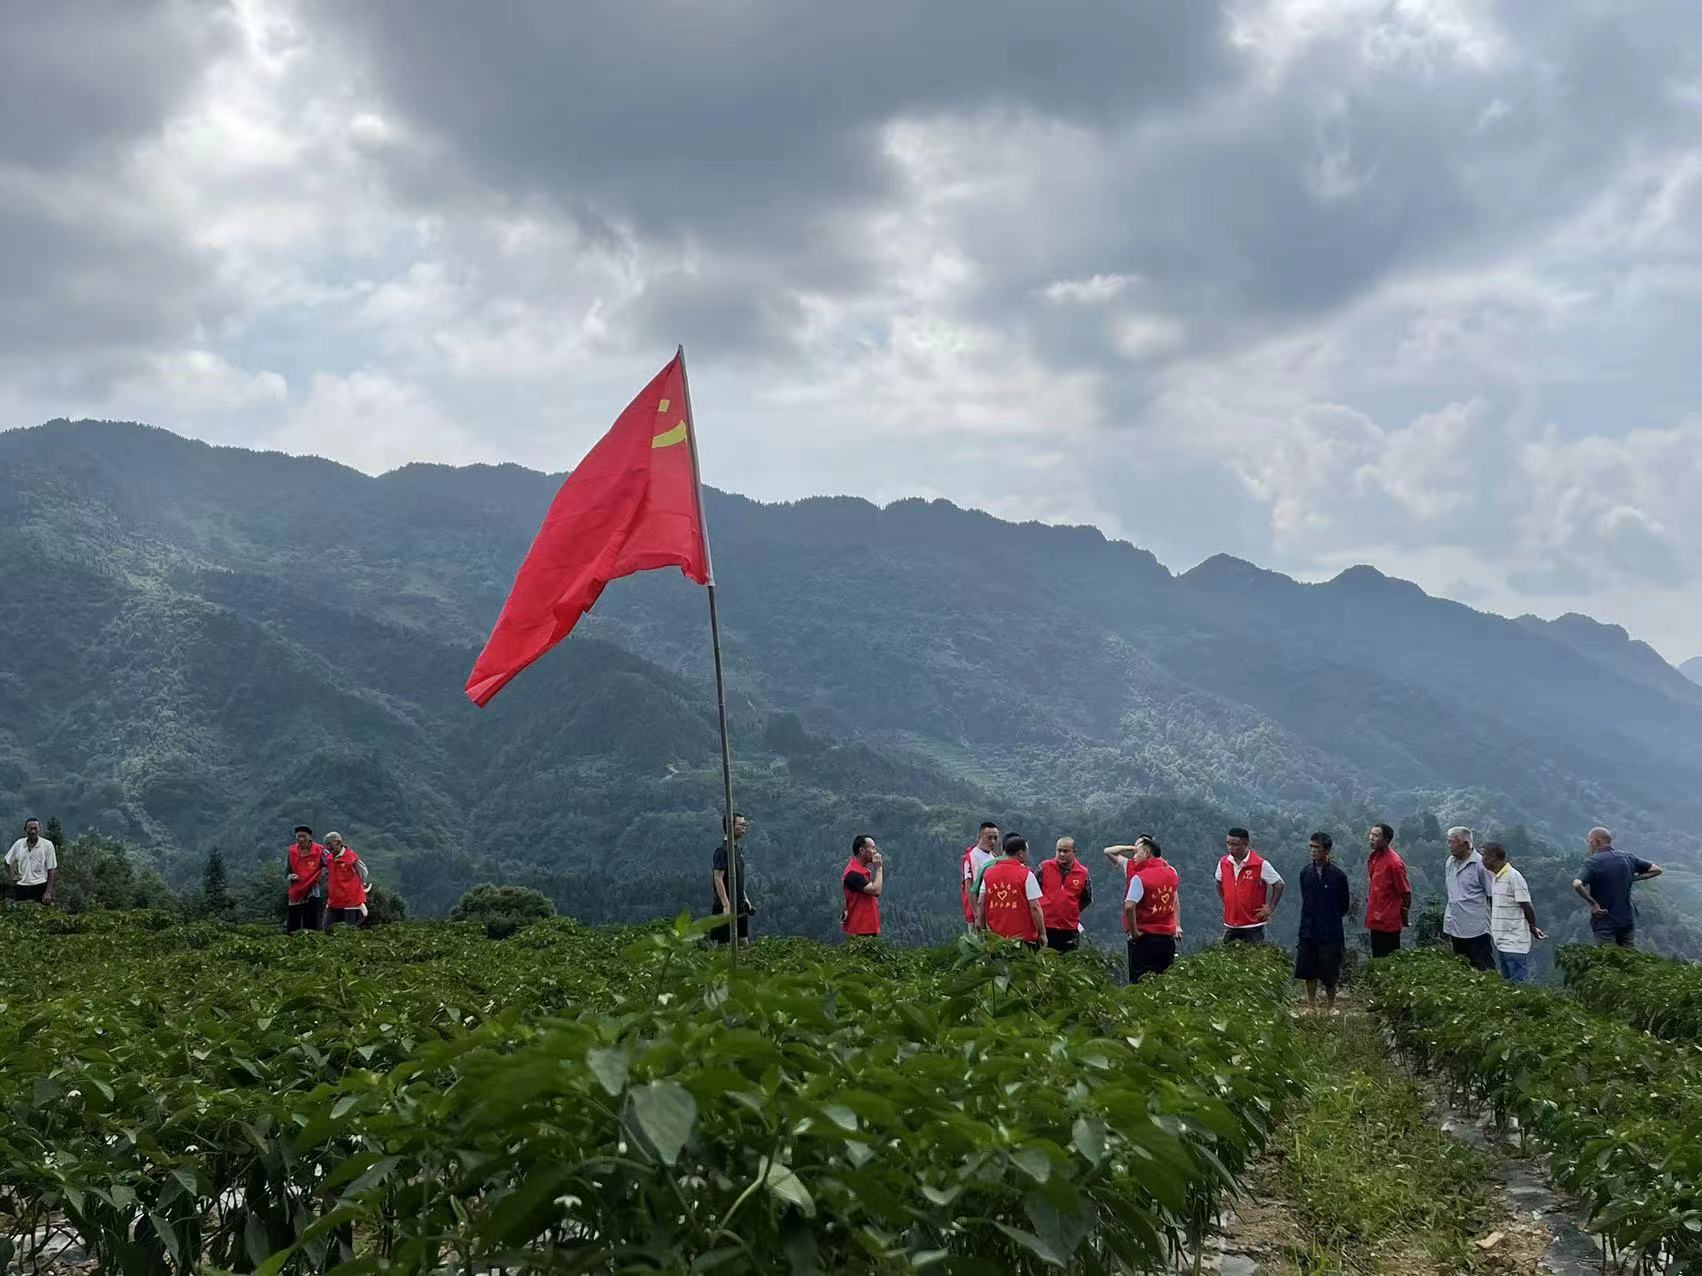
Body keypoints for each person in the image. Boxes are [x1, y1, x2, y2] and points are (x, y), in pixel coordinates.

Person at [1573, 826, 1661, 948]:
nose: (1589, 845)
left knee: (1608, 960)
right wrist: (1633, 878)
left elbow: (1577, 884)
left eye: (1589, 842)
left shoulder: (1593, 862)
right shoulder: (1627, 857)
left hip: (1605, 920)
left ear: (1596, 842)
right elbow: (1656, 870)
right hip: (1626, 919)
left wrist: (1593, 904)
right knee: (1628, 958)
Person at [1294, 832, 1350, 1011]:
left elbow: (1344, 905)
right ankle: (1311, 1005)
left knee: (1330, 972)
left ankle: (1330, 1006)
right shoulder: (1305, 873)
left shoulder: (1338, 877)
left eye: (1316, 848)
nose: (1312, 851)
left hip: (1330, 931)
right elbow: (1305, 896)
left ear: (1327, 850)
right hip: (1309, 929)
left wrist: (1329, 919)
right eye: (1310, 847)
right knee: (1309, 970)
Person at [1113, 837, 1180, 983]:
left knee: (1140, 981)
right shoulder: (1172, 873)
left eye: (1137, 853)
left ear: (1147, 854)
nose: (1134, 857)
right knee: (1163, 981)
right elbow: (1174, 899)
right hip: (1167, 938)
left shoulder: (1140, 878)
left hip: (1145, 938)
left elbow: (1129, 906)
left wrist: (1134, 931)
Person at [1482, 841, 1545, 982]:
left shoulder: (1513, 876)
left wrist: (1533, 927)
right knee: (1508, 984)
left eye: (1484, 856)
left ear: (1493, 857)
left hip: (1515, 941)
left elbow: (1526, 904)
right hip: (1502, 941)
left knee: (1518, 985)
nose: (1482, 860)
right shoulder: (1496, 878)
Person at [1442, 827, 1497, 972]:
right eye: (1448, 842)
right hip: (1455, 924)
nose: (1450, 846)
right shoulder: (1450, 862)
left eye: (1453, 842)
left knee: (1483, 966)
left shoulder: (1480, 865)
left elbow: (1492, 894)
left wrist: (1496, 922)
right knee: (1461, 965)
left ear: (1466, 844)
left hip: (1476, 927)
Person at [976, 832, 1044, 949]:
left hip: (995, 939)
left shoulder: (989, 873)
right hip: (1023, 940)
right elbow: (1035, 907)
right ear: (1021, 853)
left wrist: (983, 930)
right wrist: (1042, 933)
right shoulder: (1026, 874)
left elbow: (981, 903)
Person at [1217, 828, 1283, 944]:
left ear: (1245, 844)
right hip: (1231, 924)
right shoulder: (1224, 862)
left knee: (1253, 958)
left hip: (1253, 926)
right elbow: (1218, 882)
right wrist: (1224, 901)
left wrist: (1271, 907)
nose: (1230, 848)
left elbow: (1279, 884)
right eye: (1228, 843)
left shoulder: (1259, 864)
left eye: (1235, 844)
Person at [1036, 836, 1092, 951]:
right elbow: (1033, 894)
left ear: (1074, 852)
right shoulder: (1044, 867)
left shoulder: (1082, 873)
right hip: (1045, 927)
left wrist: (1070, 910)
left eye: (1065, 851)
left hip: (1069, 928)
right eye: (1059, 850)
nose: (1061, 854)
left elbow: (1086, 898)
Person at [1364, 823, 1411, 957]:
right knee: (1377, 958)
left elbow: (1405, 893)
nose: (1371, 838)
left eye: (1376, 835)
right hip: (1375, 918)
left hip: (1389, 921)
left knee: (1388, 959)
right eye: (1371, 834)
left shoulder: (1394, 864)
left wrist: (1404, 913)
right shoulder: (1374, 858)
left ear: (1386, 840)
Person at [711, 811, 753, 945]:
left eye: (745, 824)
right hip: (726, 906)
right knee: (723, 945)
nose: (744, 827)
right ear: (730, 826)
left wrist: (745, 898)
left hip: (739, 905)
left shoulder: (737, 850)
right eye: (741, 824)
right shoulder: (722, 851)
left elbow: (738, 878)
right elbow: (718, 878)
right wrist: (726, 905)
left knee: (743, 942)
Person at [322, 832, 372, 928]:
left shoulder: (351, 856)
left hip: (351, 900)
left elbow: (363, 871)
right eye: (326, 845)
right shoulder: (329, 858)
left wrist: (361, 884)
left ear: (338, 842)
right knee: (327, 928)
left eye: (330, 844)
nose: (328, 847)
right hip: (334, 900)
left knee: (349, 931)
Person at [286, 825, 330, 933]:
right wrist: (290, 876)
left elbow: (331, 863)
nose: (301, 839)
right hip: (295, 892)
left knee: (311, 926)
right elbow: (286, 871)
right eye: (298, 836)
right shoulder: (291, 851)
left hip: (312, 891)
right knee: (292, 927)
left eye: (304, 836)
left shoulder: (320, 850)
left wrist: (322, 875)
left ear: (310, 837)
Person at [5, 818, 57, 905]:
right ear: (25, 830)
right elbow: (7, 861)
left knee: (42, 915)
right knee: (22, 915)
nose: (33, 831)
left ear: (39, 829)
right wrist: (12, 876)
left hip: (40, 886)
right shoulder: (19, 844)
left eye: (35, 828)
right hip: (21, 887)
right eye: (30, 829)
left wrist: (48, 892)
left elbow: (51, 869)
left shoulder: (47, 845)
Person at [841, 834, 884, 939]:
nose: (875, 851)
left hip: (866, 925)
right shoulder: (853, 873)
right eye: (872, 848)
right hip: (860, 927)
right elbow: (876, 891)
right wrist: (879, 868)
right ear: (862, 850)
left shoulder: (861, 871)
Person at [960, 822, 1000, 932]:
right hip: (977, 915)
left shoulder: (993, 856)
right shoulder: (971, 857)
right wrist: (977, 915)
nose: (993, 841)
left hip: (991, 912)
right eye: (989, 838)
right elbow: (969, 887)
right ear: (979, 837)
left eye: (996, 838)